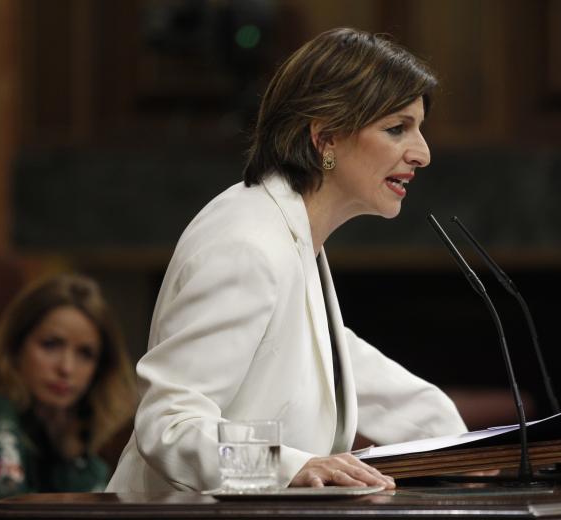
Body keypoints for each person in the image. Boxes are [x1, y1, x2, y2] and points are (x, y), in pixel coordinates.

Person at [107, 27, 467, 493]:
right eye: (397, 128)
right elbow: (169, 426)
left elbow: (340, 362)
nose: (422, 153)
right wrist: (287, 467)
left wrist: (467, 445)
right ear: (325, 138)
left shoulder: (290, 231)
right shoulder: (246, 245)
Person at [0, 274, 136, 505]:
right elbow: (9, 515)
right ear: (16, 346)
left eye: (85, 354)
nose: (66, 368)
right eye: (51, 344)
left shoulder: (70, 438)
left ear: (100, 368)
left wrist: (71, 450)